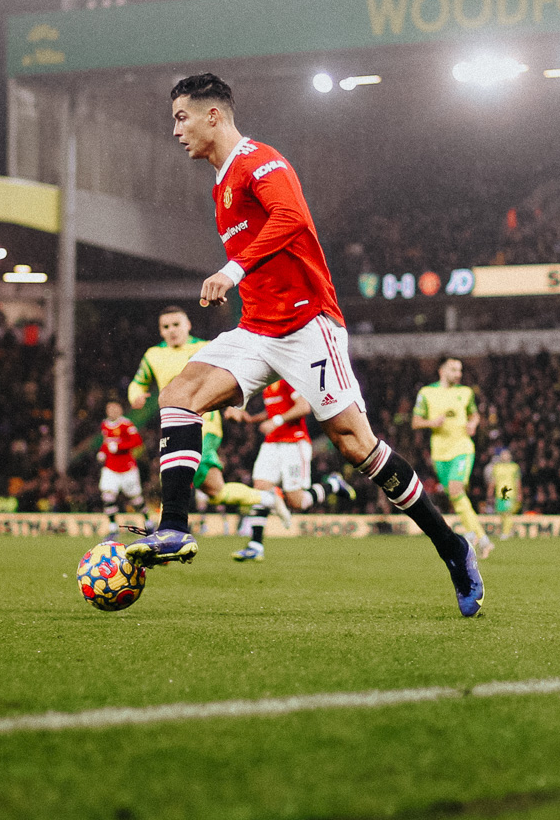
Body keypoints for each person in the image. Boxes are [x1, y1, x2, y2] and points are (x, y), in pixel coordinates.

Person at [123, 73, 482, 616]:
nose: (175, 130)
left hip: (309, 324)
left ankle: (451, 546)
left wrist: (233, 269)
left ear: (213, 115)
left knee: (355, 446)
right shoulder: (219, 183)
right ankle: (173, 529)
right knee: (178, 397)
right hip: (257, 330)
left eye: (181, 117)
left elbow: (290, 219)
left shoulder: (260, 161)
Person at [232, 380, 352, 562]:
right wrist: (251, 418)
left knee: (297, 502)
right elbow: (275, 411)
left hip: (294, 443)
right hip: (272, 442)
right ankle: (256, 545)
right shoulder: (268, 384)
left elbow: (303, 406)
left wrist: (276, 421)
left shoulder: (287, 380)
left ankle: (333, 484)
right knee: (260, 488)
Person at [127, 306, 225, 513]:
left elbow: (231, 376)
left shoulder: (206, 348)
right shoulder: (154, 354)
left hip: (205, 423)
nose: (172, 330)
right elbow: (138, 383)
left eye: (176, 325)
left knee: (182, 468)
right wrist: (135, 396)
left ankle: (170, 528)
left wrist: (237, 404)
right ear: (160, 331)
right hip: (173, 424)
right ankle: (262, 498)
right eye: (166, 326)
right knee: (213, 489)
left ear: (188, 325)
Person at [412, 357, 491, 558]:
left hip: (462, 448)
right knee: (456, 497)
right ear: (442, 370)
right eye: (454, 369)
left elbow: (474, 414)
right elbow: (415, 422)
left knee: (456, 489)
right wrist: (431, 422)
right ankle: (480, 538)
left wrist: (473, 424)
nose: (458, 374)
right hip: (439, 453)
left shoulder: (465, 393)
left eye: (460, 370)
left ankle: (476, 536)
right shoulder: (427, 393)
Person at [97, 400, 146, 534]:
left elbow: (137, 441)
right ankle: (113, 526)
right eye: (109, 409)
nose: (111, 411)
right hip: (110, 467)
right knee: (107, 495)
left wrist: (119, 447)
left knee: (136, 499)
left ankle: (147, 520)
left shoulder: (126, 424)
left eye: (114, 408)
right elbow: (106, 442)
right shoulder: (105, 424)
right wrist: (102, 452)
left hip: (127, 468)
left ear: (120, 410)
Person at [484, 448, 520, 541]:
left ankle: (505, 533)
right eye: (503, 454)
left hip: (510, 493)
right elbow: (493, 481)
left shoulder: (514, 467)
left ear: (510, 456)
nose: (505, 456)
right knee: (502, 513)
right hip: (499, 493)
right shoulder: (497, 467)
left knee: (507, 512)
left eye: (506, 454)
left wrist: (519, 493)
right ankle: (509, 530)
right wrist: (490, 493)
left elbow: (517, 482)